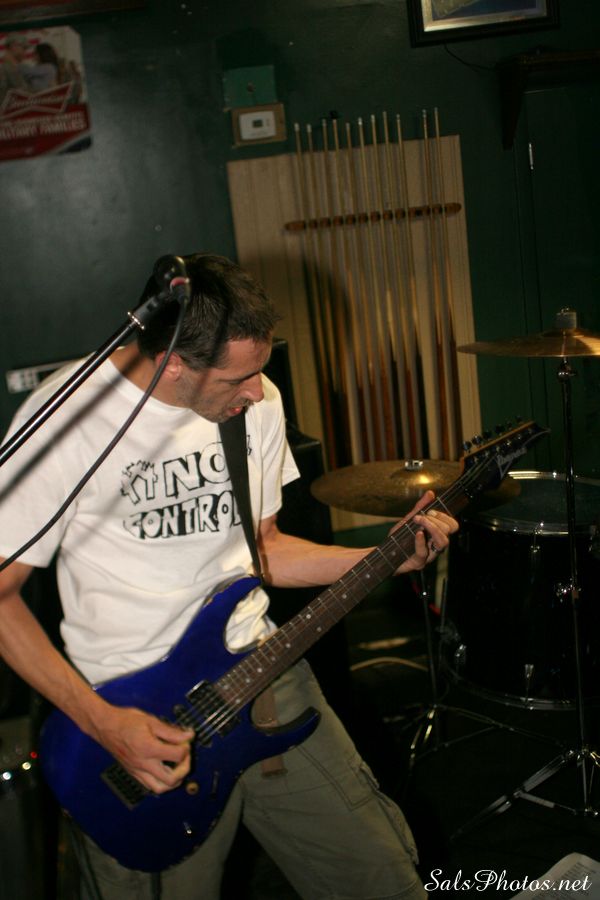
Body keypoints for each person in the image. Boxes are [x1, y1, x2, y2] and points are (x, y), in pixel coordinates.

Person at [0, 253, 458, 899]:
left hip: (263, 675)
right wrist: (103, 724)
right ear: (173, 363)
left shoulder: (257, 402)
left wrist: (384, 557)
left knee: (384, 880)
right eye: (239, 378)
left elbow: (262, 550)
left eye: (260, 371)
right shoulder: (66, 417)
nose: (257, 392)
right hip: (135, 714)